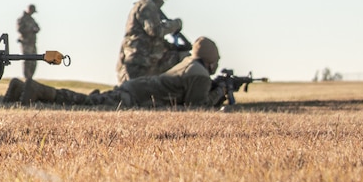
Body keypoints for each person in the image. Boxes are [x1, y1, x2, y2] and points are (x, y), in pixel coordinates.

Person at [12, 37, 223, 108]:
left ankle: (20, 89)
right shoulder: (200, 75)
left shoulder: (188, 64)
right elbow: (197, 107)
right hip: (134, 97)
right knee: (86, 103)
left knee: (91, 100)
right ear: (210, 59)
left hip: (134, 88)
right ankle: (37, 90)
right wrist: (220, 91)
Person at [116, 0, 183, 82]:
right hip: (138, 64)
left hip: (144, 63)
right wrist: (176, 24)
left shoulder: (151, 7)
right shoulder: (147, 6)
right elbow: (155, 31)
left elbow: (152, 38)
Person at [16, 4, 40, 81]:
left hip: (32, 43)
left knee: (34, 61)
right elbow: (20, 29)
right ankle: (27, 78)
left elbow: (38, 28)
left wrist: (35, 29)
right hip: (26, 43)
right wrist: (30, 30)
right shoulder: (22, 19)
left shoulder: (32, 20)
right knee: (27, 60)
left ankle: (30, 78)